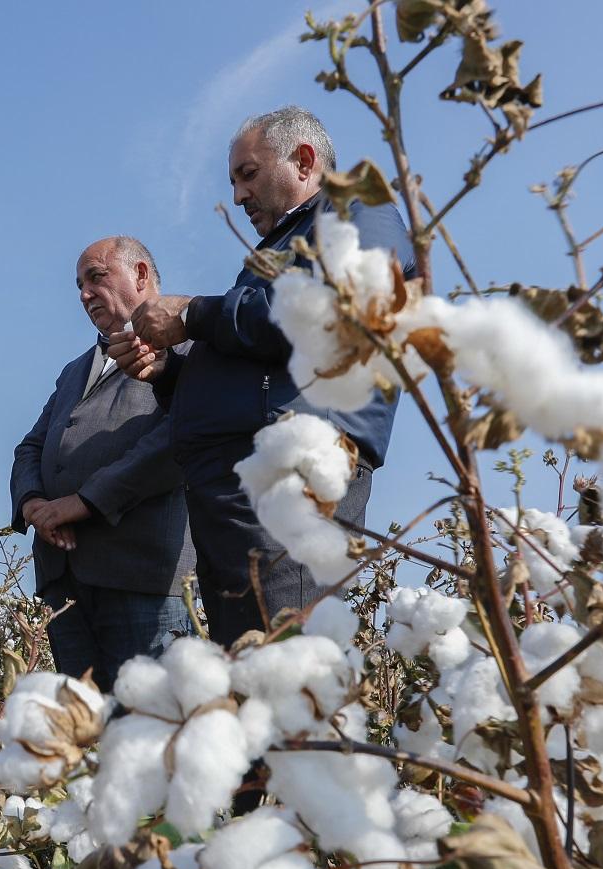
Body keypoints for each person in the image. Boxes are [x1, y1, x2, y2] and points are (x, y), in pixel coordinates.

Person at [110, 106, 414, 647]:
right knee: (252, 671)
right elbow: (262, 362)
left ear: (303, 160)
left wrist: (192, 316)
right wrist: (171, 373)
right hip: (245, 489)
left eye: (247, 174)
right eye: (233, 181)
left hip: (292, 481)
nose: (238, 197)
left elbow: (329, 310)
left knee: (285, 667)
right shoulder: (283, 249)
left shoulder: (355, 213)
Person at [10, 236, 194, 691]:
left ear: (141, 276)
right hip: (64, 581)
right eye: (78, 285)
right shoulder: (75, 369)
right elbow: (30, 446)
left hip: (141, 578)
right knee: (94, 735)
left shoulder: (187, 351)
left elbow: (175, 441)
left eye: (96, 277)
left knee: (154, 730)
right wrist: (33, 503)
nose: (84, 294)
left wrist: (85, 501)